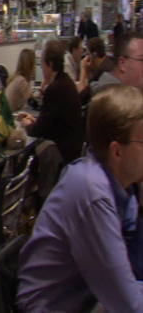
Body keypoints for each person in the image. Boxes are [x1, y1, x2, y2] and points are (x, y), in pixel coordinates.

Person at [17, 84, 143, 312]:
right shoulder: (92, 193)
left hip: (89, 299)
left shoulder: (123, 187)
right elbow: (129, 305)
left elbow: (135, 267)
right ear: (117, 151)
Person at [19, 39, 83, 164]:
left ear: (50, 64)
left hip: (62, 154)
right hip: (73, 148)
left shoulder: (55, 89)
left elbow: (38, 130)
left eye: (42, 63)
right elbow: (52, 121)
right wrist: (36, 120)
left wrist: (27, 123)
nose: (41, 68)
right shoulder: (66, 82)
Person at [77, 36, 115, 103]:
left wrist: (83, 69)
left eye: (88, 54)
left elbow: (81, 96)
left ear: (94, 54)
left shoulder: (102, 72)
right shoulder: (107, 63)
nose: (86, 58)